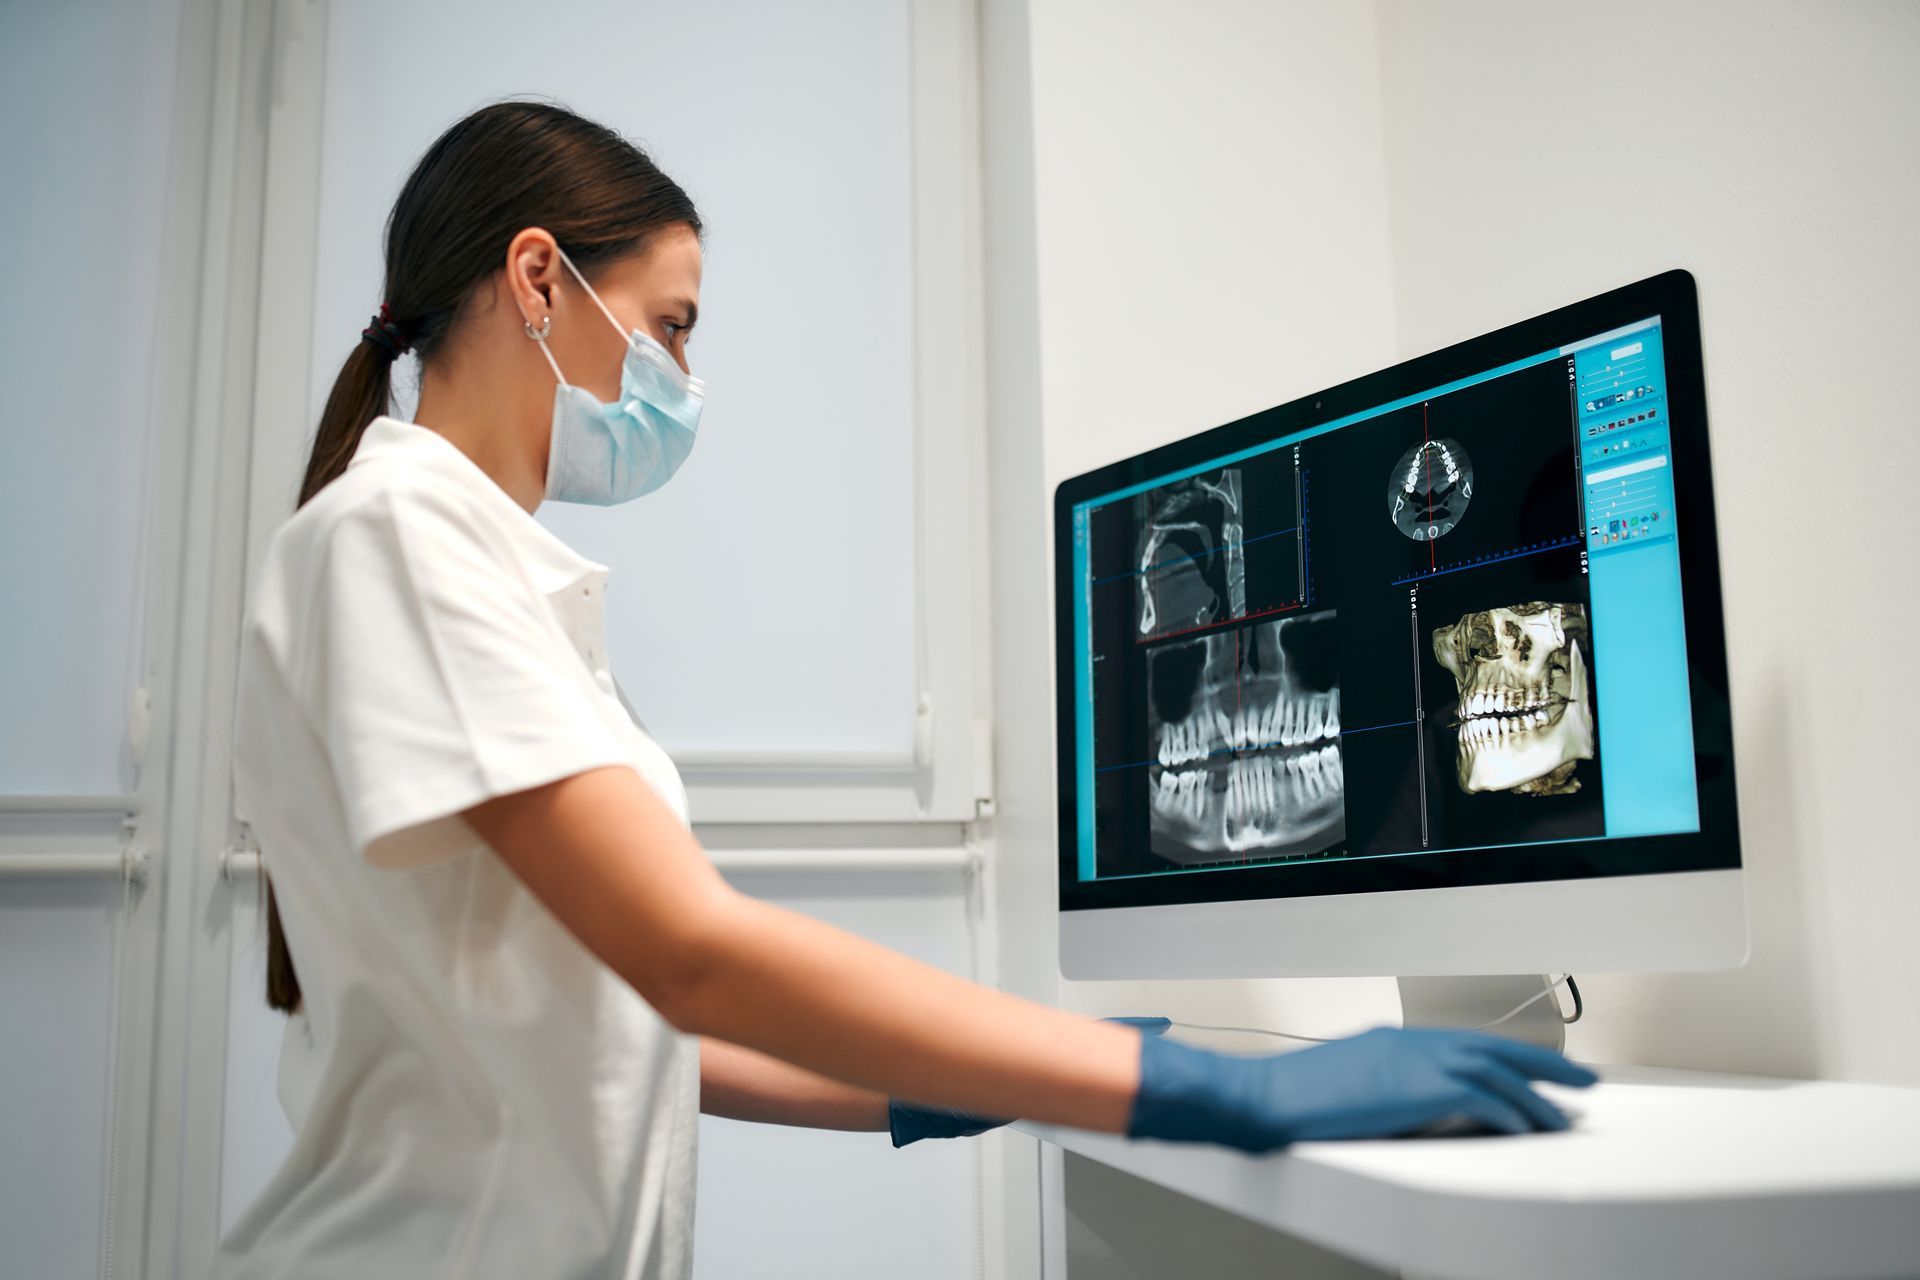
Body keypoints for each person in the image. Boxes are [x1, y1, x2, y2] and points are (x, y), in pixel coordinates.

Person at [214, 101, 1595, 1279]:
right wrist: (1209, 1089)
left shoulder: (480, 568)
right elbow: (689, 952)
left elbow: (629, 1038)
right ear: (536, 279)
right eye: (669, 328)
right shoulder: (394, 539)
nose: (682, 380)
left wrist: (954, 1080)